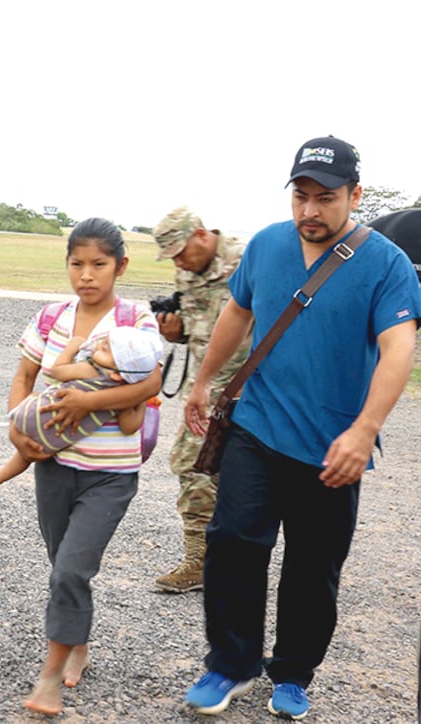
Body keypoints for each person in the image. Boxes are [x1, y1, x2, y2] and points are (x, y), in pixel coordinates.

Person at [182, 136, 421, 719]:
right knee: (234, 542)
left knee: (313, 567)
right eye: (301, 195)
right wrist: (204, 379)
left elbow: (398, 349)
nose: (310, 210)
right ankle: (230, 664)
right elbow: (239, 310)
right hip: (257, 428)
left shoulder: (386, 264)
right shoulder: (267, 245)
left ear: (355, 196)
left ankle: (292, 672)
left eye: (326, 197)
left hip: (334, 445)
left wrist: (365, 430)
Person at [5, 218, 162, 716]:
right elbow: (26, 375)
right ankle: (78, 641)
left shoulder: (137, 320)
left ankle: (49, 678)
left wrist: (82, 405)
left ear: (121, 265)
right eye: (77, 264)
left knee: (71, 569)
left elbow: (148, 383)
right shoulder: (51, 317)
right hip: (53, 466)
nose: (87, 275)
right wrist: (18, 430)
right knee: (62, 566)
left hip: (110, 476)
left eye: (99, 264)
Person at [149, 206, 250, 594]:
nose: (178, 261)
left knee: (246, 476)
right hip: (204, 391)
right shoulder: (187, 270)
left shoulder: (245, 261)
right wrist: (175, 332)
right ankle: (199, 561)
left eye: (180, 251)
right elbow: (198, 332)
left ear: (203, 234)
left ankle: (232, 560)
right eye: (171, 255)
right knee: (193, 465)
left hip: (250, 388)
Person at [0, 326, 163, 488]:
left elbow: (57, 370)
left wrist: (71, 347)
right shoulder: (122, 397)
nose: (98, 346)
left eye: (105, 349)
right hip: (56, 438)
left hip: (32, 413)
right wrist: (140, 399)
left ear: (116, 373)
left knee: (33, 415)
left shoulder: (90, 369)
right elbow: (129, 426)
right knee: (29, 455)